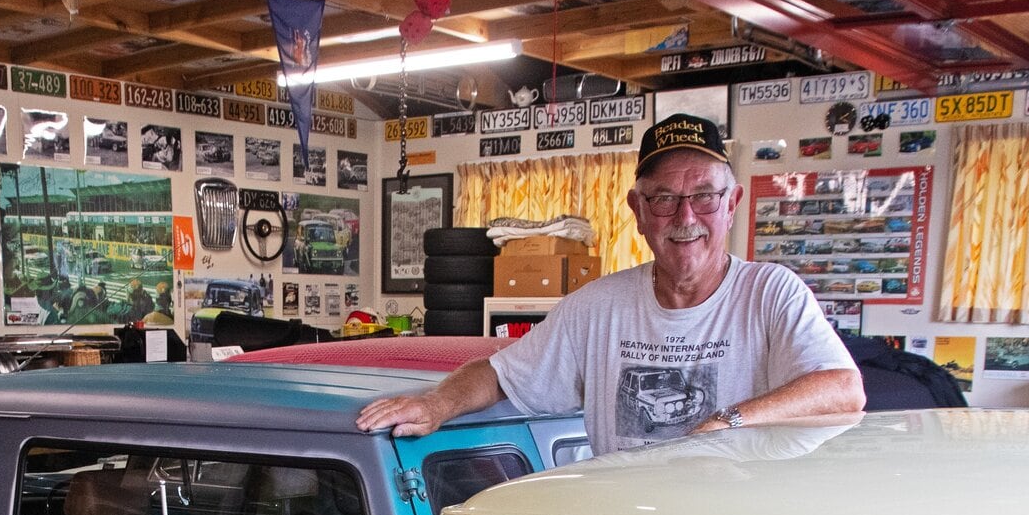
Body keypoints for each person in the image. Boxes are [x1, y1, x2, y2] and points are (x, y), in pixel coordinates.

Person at [357, 112, 863, 452]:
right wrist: (435, 403)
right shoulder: (599, 306)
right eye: (664, 199)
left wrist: (726, 421)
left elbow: (842, 389)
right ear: (638, 211)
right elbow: (500, 373)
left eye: (705, 196)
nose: (685, 216)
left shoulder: (771, 293)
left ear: (731, 205)